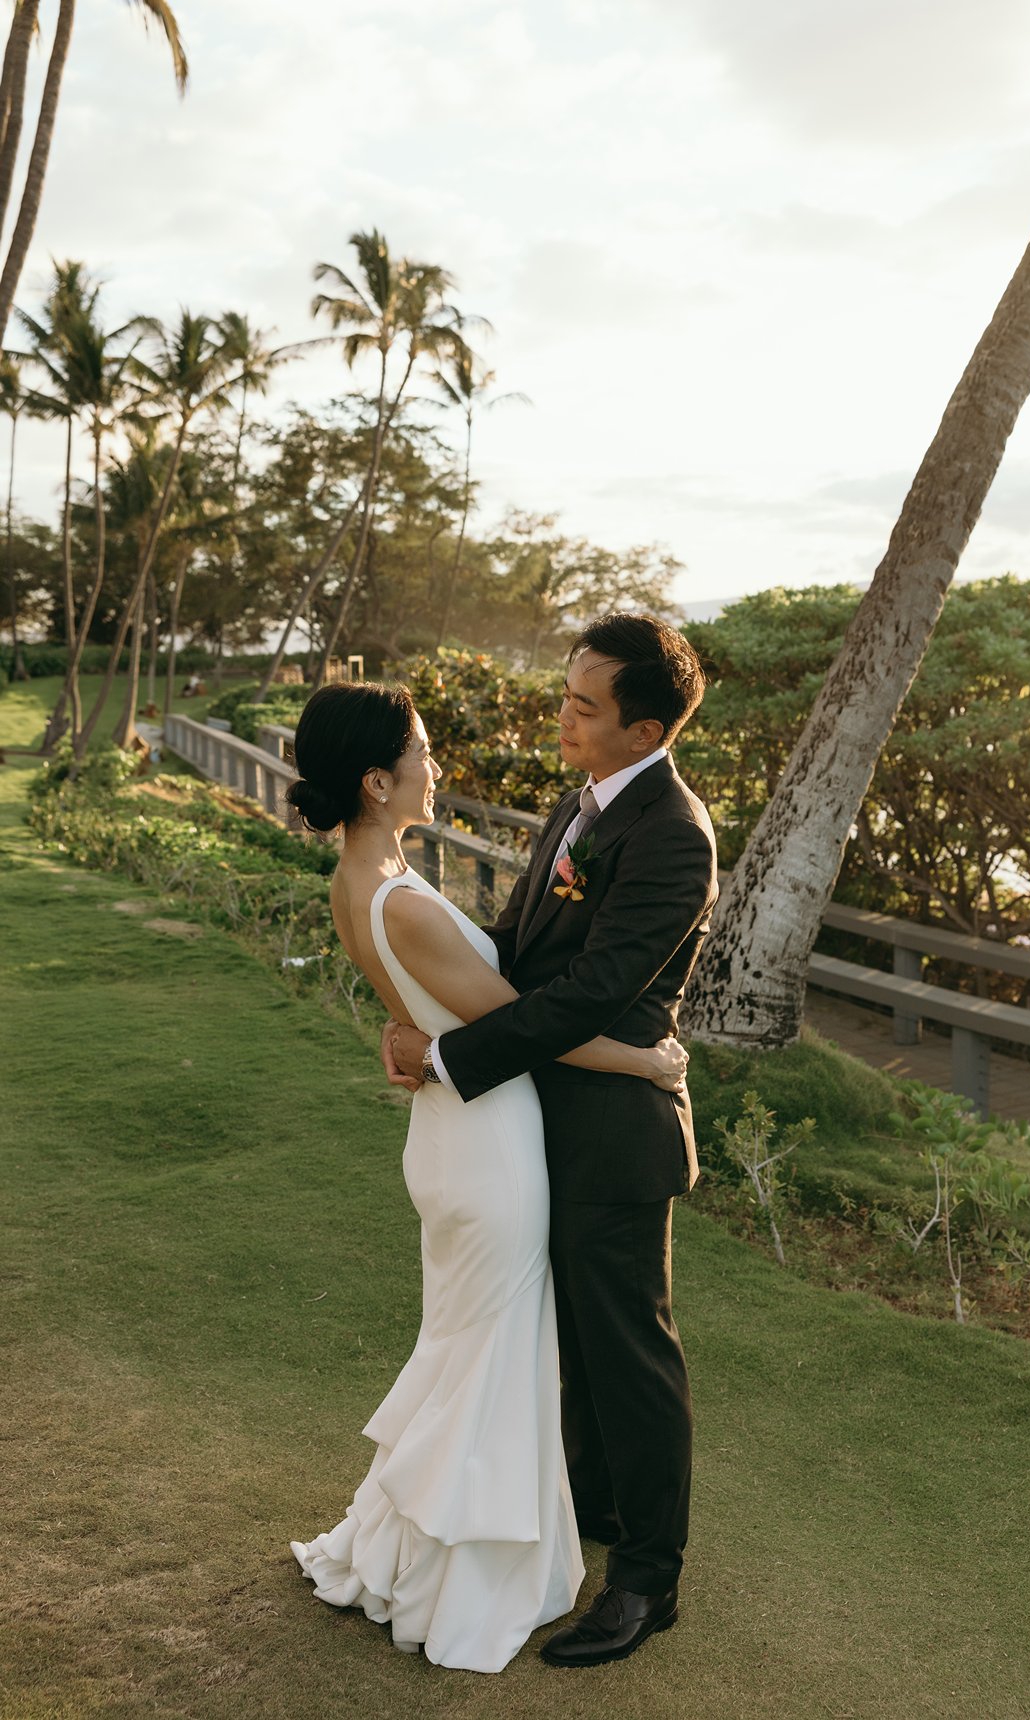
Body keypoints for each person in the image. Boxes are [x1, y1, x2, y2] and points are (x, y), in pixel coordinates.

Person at [284, 679, 689, 1675]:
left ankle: (435, 1536)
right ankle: (459, 1570)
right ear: (378, 782)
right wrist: (645, 1061)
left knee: (471, 1347)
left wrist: (420, 1036)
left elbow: (489, 988)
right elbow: (517, 1014)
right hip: (490, 1142)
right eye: (420, 753)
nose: (435, 765)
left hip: (459, 1132)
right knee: (490, 1354)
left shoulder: (360, 880)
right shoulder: (401, 899)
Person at [383, 612, 718, 1669]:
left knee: (627, 1356)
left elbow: (590, 993)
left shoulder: (671, 833)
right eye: (566, 694)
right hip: (544, 1121)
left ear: (645, 728)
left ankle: (647, 1583)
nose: (562, 716)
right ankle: (600, 1520)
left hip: (616, 1137)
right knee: (573, 1345)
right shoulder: (581, 808)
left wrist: (448, 1059)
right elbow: (525, 953)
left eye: (583, 706)